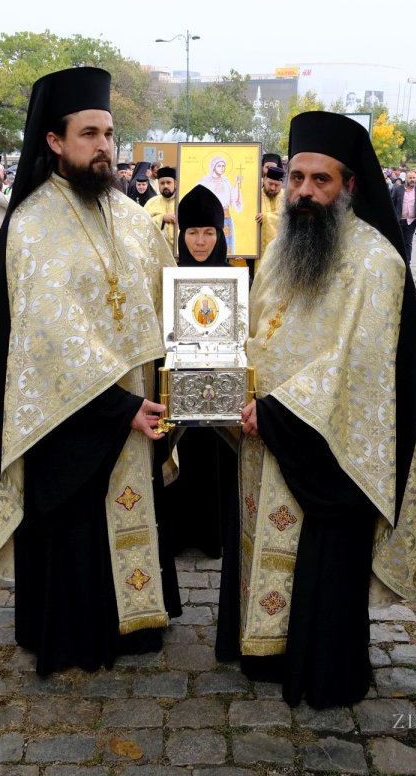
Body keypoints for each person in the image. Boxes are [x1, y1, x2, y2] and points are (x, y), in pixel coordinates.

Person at [0, 66, 180, 677]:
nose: (104, 146)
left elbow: (169, 301)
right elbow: (44, 341)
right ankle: (77, 632)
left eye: (110, 133)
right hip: (68, 423)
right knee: (78, 527)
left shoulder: (131, 216)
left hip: (139, 404)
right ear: (55, 142)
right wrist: (119, 409)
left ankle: (138, 622)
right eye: (89, 133)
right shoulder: (32, 225)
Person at [223, 111, 416, 708]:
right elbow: (259, 329)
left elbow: (360, 366)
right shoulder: (284, 247)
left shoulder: (375, 263)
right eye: (296, 178)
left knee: (320, 559)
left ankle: (318, 668)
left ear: (350, 186)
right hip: (266, 432)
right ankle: (264, 651)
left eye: (322, 180)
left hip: (328, 447)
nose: (305, 192)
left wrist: (279, 413)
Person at [157, 184, 236, 565]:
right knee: (183, 454)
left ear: (220, 234)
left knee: (216, 458)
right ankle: (180, 531)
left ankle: (213, 534)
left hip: (222, 386)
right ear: (181, 234)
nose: (200, 241)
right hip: (182, 384)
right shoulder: (168, 278)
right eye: (192, 232)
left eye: (208, 233)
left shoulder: (238, 280)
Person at [390, 172, 416, 263]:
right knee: (398, 241)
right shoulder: (397, 189)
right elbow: (391, 204)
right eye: (410, 178)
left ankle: (407, 262)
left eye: (414, 178)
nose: (412, 180)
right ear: (405, 179)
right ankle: (397, 261)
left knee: (408, 242)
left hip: (412, 221)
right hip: (399, 220)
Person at [143, 166, 178, 248]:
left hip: (180, 252)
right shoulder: (151, 202)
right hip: (158, 251)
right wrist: (162, 218)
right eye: (162, 183)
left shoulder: (182, 201)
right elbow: (143, 224)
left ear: (175, 183)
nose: (165, 186)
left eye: (168, 182)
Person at [256, 165, 285, 259]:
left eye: (277, 185)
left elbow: (288, 217)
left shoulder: (287, 199)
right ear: (264, 180)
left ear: (282, 183)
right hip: (259, 252)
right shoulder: (255, 196)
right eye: (270, 183)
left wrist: (266, 217)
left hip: (282, 253)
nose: (273, 188)